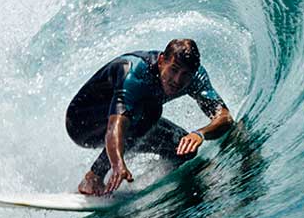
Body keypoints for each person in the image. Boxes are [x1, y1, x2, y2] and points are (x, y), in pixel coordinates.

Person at [65, 38, 233, 195]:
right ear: (161, 61)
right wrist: (117, 164)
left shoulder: (195, 78)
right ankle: (93, 177)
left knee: (183, 149)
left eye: (185, 75)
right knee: (150, 111)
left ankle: (162, 188)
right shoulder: (135, 72)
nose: (177, 80)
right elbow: (116, 124)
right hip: (81, 123)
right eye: (173, 70)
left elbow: (224, 117)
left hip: (131, 120)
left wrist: (200, 134)